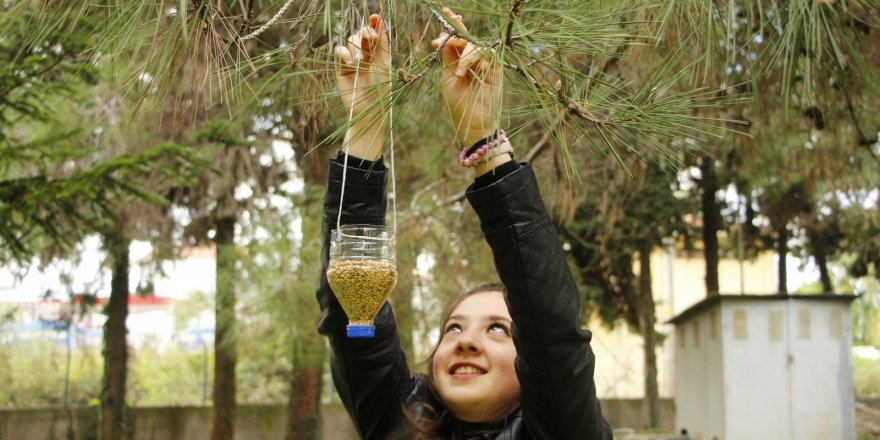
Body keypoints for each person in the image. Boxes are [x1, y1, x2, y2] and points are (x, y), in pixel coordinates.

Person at [317, 9, 613, 440]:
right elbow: (351, 305)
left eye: (498, 328)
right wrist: (364, 127)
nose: (465, 341)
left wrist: (485, 140)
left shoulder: (565, 430)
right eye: (453, 328)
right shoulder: (399, 424)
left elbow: (550, 325)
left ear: (532, 362)